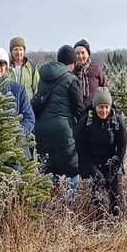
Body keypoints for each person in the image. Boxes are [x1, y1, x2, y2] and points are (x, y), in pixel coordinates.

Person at [32, 44, 85, 180]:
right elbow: (79, 109)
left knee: (49, 169)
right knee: (72, 169)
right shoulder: (71, 79)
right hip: (63, 129)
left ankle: (51, 199)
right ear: (72, 63)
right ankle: (70, 201)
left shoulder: (43, 78)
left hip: (42, 129)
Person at [76, 86, 127, 216]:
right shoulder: (85, 122)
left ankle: (117, 225)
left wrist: (113, 171)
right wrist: (94, 171)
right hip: (93, 163)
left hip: (113, 163)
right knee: (97, 200)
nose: (104, 110)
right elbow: (81, 150)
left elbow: (121, 149)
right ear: (95, 107)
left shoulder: (117, 121)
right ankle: (99, 224)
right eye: (100, 107)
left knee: (117, 199)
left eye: (106, 107)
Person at [0, 46, 35, 138]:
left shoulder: (18, 90)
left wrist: (16, 134)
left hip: (14, 145)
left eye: (2, 63)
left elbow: (29, 118)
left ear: (7, 67)